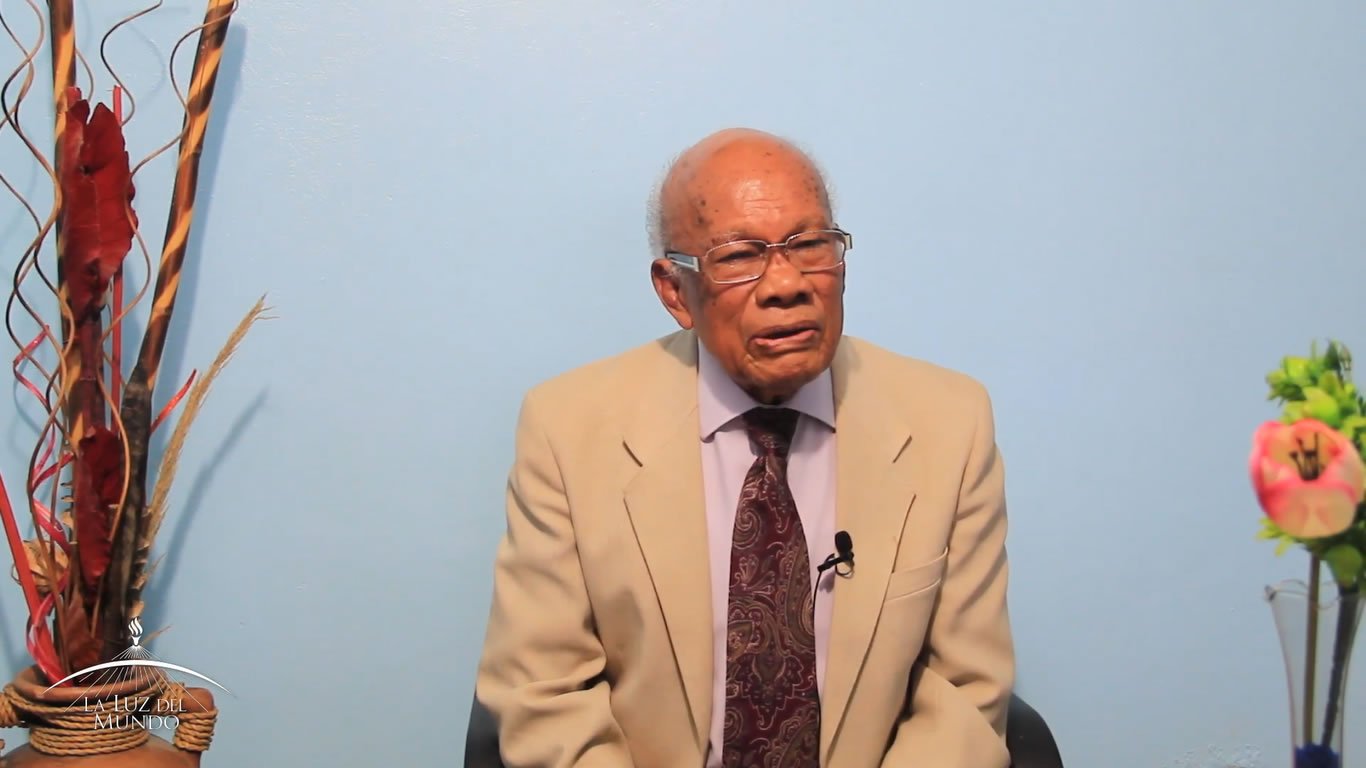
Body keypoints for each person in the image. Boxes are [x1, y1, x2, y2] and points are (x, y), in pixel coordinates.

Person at [475, 128, 1014, 768]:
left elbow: (964, 691)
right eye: (738, 256)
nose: (786, 284)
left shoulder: (949, 424)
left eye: (810, 246)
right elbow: (544, 693)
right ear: (675, 291)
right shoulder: (567, 430)